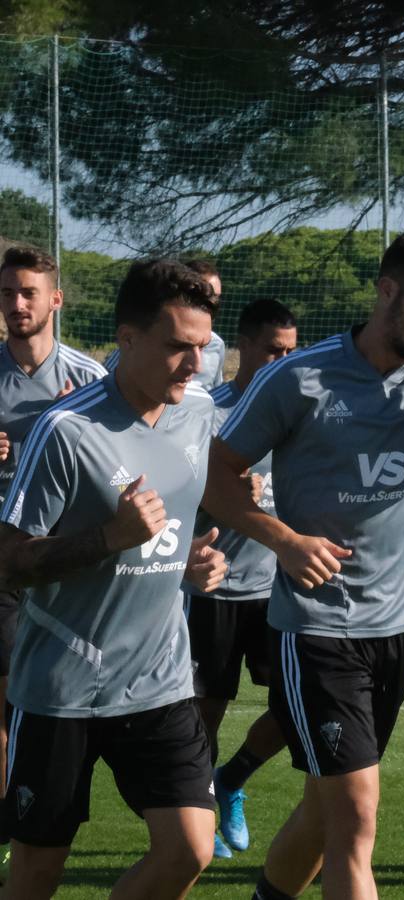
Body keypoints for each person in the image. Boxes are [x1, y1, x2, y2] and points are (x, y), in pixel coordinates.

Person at [202, 227, 404, 899]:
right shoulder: (299, 378)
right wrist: (284, 541)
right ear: (387, 291)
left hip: (398, 631)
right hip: (317, 630)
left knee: (327, 811)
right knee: (356, 817)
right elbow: (214, 474)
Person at [0, 258, 228, 899]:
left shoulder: (199, 411)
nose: (195, 364)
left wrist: (194, 561)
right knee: (37, 874)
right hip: (62, 690)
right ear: (127, 340)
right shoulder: (67, 431)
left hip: (160, 681)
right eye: (178, 348)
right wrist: (109, 539)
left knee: (189, 849)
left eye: (203, 349)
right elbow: (10, 560)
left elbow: (178, 523)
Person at [188, 298, 299, 860]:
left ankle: (231, 779)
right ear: (244, 348)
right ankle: (199, 809)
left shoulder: (302, 407)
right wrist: (225, 501)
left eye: (291, 351)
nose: (283, 360)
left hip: (280, 589)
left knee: (295, 709)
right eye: (273, 350)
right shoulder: (209, 410)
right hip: (215, 587)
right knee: (207, 707)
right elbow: (178, 500)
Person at [0, 245, 106, 805]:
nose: (17, 303)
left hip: (66, 558)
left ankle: (44, 805)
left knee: (51, 696)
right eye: (8, 293)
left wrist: (80, 427)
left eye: (29, 293)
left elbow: (123, 458)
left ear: (55, 300)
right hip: (4, 557)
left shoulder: (89, 379)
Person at [104, 258, 225, 388]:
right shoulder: (134, 345)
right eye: (178, 346)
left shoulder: (217, 345)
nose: (196, 367)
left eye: (202, 347)